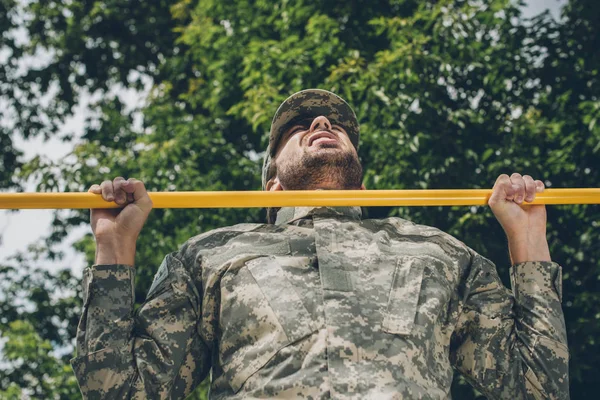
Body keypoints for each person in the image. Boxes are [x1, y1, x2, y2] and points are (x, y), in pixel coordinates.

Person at [71, 89, 569, 399]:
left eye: (334, 126)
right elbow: (123, 391)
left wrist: (528, 242)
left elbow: (535, 388)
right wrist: (114, 250)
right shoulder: (207, 255)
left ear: (365, 189)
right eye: (298, 127)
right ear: (271, 187)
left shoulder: (440, 252)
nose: (322, 125)